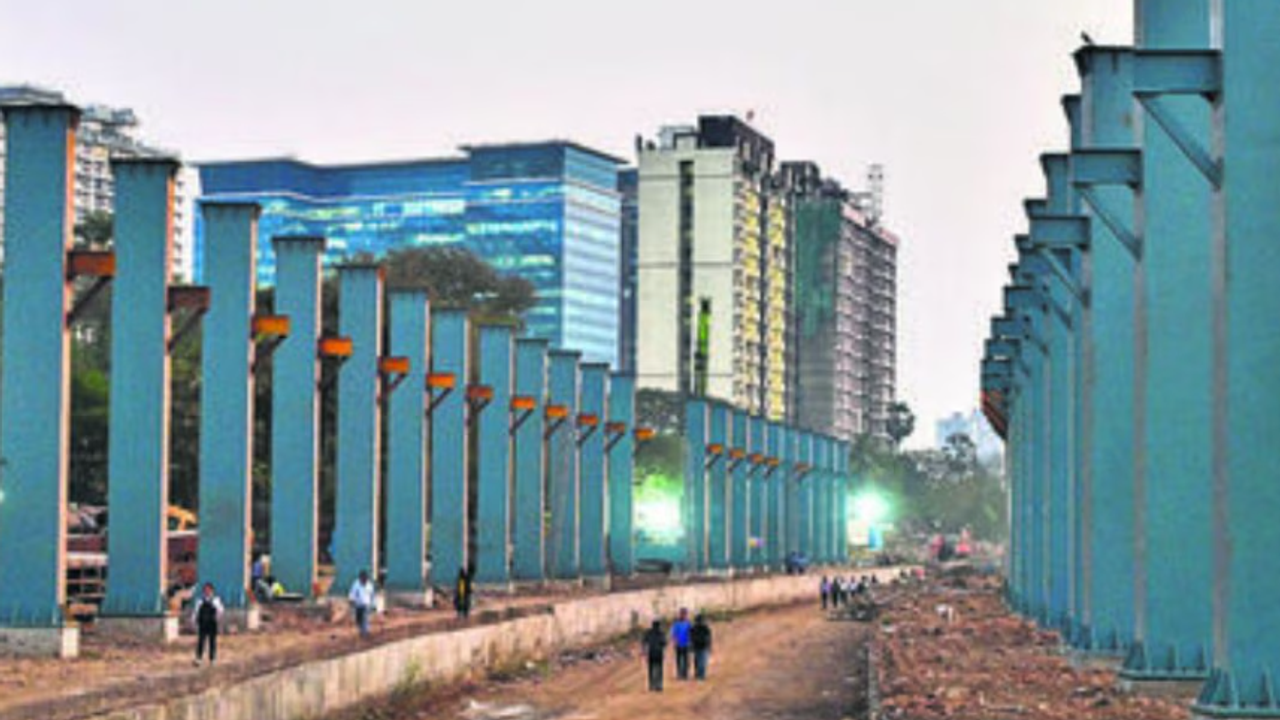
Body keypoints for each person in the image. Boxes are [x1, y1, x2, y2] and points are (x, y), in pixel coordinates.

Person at [191, 582, 224, 666]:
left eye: (209, 590)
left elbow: (221, 611)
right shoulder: (200, 601)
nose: (207, 591)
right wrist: (193, 621)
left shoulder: (216, 600)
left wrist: (218, 619)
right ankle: (199, 659)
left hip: (212, 623)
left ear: (212, 590)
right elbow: (196, 612)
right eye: (205, 590)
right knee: (201, 641)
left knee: (212, 642)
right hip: (202, 623)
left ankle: (212, 659)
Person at [348, 569, 376, 638]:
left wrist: (373, 604)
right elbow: (352, 593)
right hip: (358, 605)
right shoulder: (356, 584)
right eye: (362, 578)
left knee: (365, 618)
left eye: (365, 578)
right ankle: (361, 631)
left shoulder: (369, 585)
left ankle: (365, 632)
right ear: (360, 578)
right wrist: (351, 600)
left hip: (366, 604)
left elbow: (372, 595)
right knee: (358, 619)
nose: (364, 580)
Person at [641, 620, 667, 692]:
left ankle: (651, 685)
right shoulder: (661, 633)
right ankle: (659, 685)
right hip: (659, 653)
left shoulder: (648, 633)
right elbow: (664, 643)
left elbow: (644, 641)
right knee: (659, 670)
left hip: (651, 653)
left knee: (651, 670)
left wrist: (644, 651)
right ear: (659, 626)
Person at [671, 607, 693, 680]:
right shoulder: (676, 624)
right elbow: (674, 634)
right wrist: (674, 642)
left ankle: (685, 674)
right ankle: (679, 674)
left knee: (686, 660)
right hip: (679, 644)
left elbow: (691, 633)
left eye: (685, 614)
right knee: (679, 660)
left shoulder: (688, 624)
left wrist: (691, 642)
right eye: (682, 614)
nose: (683, 615)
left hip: (686, 644)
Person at [691, 613, 713, 680]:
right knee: (702, 661)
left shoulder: (693, 628)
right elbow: (709, 637)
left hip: (697, 646)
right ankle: (701, 675)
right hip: (703, 646)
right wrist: (709, 646)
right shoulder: (705, 627)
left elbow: (691, 638)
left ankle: (698, 674)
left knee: (697, 661)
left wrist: (691, 646)